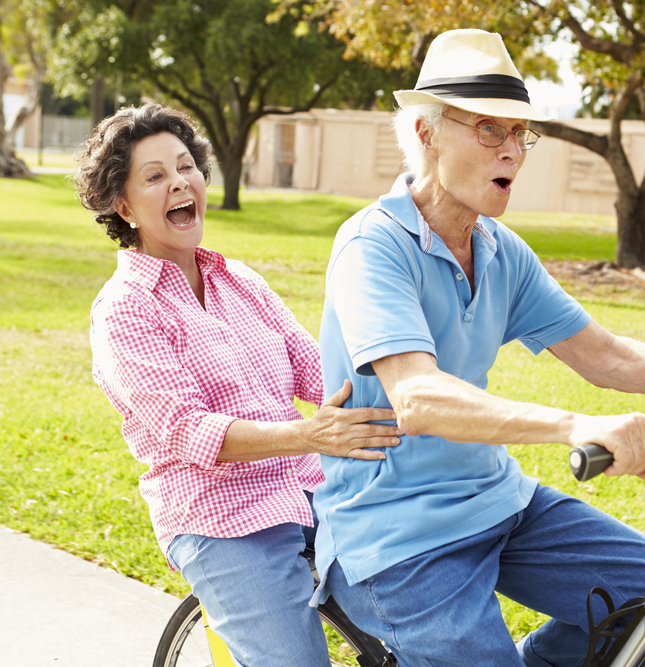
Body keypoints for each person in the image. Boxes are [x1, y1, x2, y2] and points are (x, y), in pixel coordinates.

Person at [312, 29, 645, 667]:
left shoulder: (498, 249)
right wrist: (577, 426)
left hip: (496, 500)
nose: (512, 149)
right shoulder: (372, 246)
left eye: (520, 133)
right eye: (489, 128)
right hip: (397, 534)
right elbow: (418, 398)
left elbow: (605, 355)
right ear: (427, 133)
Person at [78, 103, 402, 667]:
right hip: (220, 519)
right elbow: (187, 430)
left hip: (310, 491)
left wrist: (406, 390)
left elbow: (318, 369)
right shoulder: (124, 309)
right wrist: (309, 435)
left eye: (186, 167)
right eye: (155, 176)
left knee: (428, 604)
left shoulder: (239, 280)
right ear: (123, 206)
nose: (180, 182)